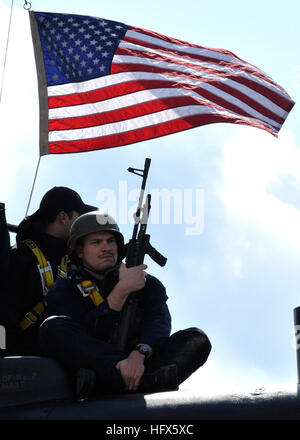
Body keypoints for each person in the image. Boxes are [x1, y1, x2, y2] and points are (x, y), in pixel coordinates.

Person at [39, 211, 212, 397]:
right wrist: (121, 291)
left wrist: (139, 354)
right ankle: (131, 381)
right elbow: (87, 332)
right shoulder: (65, 289)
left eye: (110, 241)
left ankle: (138, 382)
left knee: (197, 339)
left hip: (140, 365)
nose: (106, 248)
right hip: (93, 369)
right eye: (96, 242)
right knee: (52, 327)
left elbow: (159, 322)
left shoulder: (146, 284)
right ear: (80, 251)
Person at [0, 186, 97, 356]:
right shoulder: (21, 257)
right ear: (63, 217)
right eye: (79, 218)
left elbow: (97, 307)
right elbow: (6, 314)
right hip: (26, 360)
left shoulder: (74, 266)